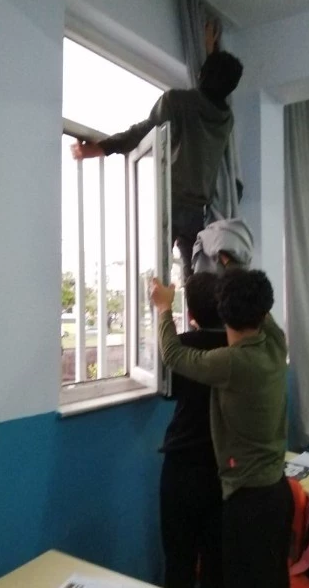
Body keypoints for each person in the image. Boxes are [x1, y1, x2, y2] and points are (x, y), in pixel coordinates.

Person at [151, 267, 293, 588]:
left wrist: (163, 307)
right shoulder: (276, 344)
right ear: (263, 312)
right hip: (278, 492)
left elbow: (173, 354)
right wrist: (230, 267)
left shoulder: (230, 362)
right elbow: (260, 306)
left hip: (247, 501)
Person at [70, 51, 244, 281]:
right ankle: (193, 304)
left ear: (202, 74)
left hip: (170, 199)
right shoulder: (226, 119)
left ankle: (161, 302)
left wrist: (101, 148)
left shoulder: (177, 101)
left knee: (159, 273)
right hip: (199, 209)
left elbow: (145, 132)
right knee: (194, 276)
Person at [159, 272, 226, 588]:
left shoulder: (184, 345)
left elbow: (169, 358)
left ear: (190, 314)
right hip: (223, 469)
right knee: (216, 562)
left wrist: (162, 308)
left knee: (178, 560)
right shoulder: (239, 349)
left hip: (182, 465)